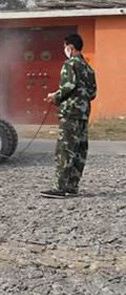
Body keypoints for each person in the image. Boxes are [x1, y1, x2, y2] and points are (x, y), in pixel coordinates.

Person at [41, 33, 97, 199]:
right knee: (79, 150)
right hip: (83, 113)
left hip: (70, 113)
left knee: (65, 149)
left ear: (70, 48)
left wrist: (55, 97)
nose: (65, 50)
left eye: (65, 47)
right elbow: (93, 93)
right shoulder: (88, 67)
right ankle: (72, 186)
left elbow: (68, 85)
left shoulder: (70, 64)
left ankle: (59, 187)